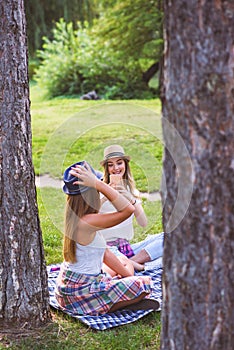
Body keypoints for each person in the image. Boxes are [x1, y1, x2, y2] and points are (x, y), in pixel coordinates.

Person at [55, 161, 159, 316]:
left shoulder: (79, 217)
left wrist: (128, 276)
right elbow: (128, 209)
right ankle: (112, 305)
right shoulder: (87, 222)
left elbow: (105, 253)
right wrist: (100, 184)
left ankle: (113, 293)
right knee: (144, 285)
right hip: (77, 295)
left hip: (72, 285)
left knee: (124, 261)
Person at [99, 144, 164, 266]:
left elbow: (143, 223)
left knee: (167, 237)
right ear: (107, 169)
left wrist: (130, 199)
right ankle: (130, 266)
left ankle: (128, 264)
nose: (116, 168)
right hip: (106, 251)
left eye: (119, 163)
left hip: (126, 249)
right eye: (110, 165)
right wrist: (106, 195)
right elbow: (87, 217)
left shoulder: (129, 191)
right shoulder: (100, 189)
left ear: (125, 165)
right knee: (160, 262)